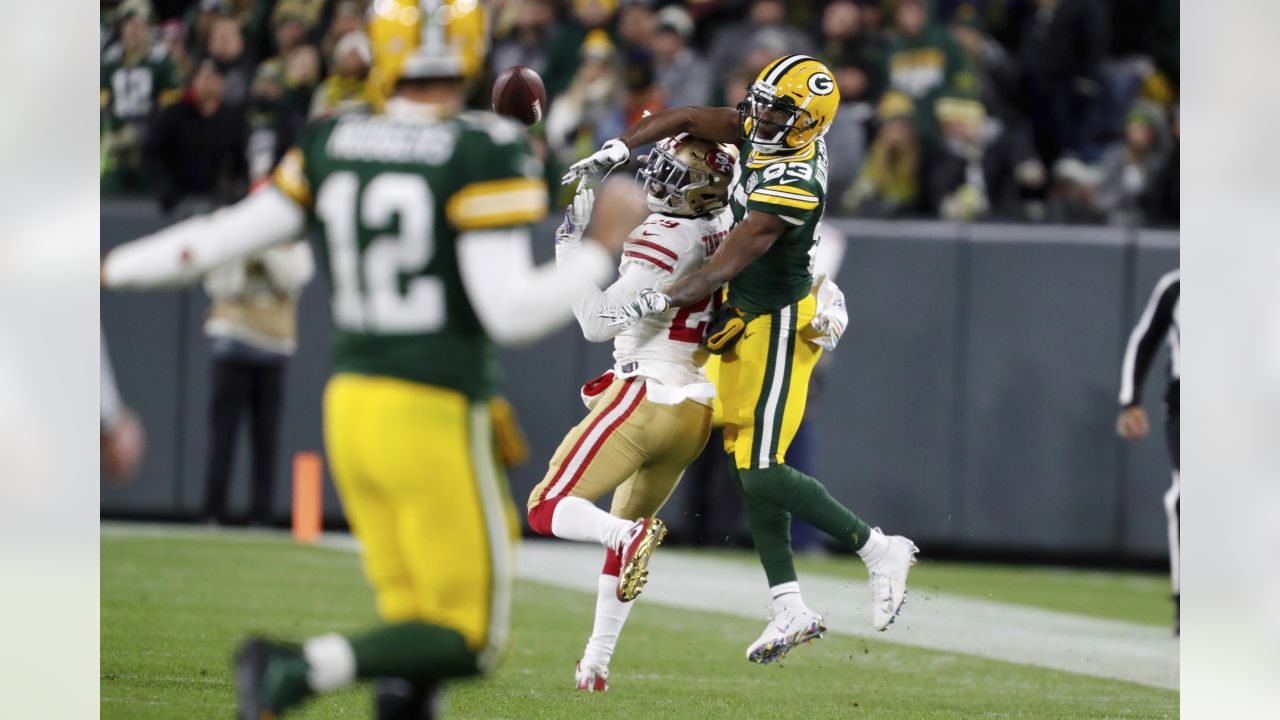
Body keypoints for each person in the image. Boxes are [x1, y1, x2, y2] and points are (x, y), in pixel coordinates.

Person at [102, 47, 638, 719]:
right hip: (432, 408)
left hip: (352, 409)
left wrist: (109, 268)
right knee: (469, 637)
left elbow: (209, 243)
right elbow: (512, 313)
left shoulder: (332, 137)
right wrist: (599, 247)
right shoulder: (481, 148)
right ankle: (297, 668)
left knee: (412, 637)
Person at [563, 54, 919, 664]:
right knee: (747, 458)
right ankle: (788, 606)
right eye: (762, 101)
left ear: (809, 122)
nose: (760, 115)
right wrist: (617, 148)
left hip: (775, 323)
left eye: (778, 109)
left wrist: (649, 297)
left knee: (759, 469)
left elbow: (720, 266)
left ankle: (878, 549)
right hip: (744, 317)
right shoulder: (771, 127)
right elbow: (691, 116)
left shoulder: (795, 179)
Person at [526, 135, 737, 692]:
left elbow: (598, 322)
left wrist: (569, 245)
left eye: (678, 177)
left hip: (645, 392)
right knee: (627, 530)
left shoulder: (662, 236)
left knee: (547, 508)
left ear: (703, 190)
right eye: (662, 169)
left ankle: (620, 538)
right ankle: (595, 664)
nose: (663, 183)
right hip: (692, 414)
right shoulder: (729, 223)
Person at [199, 240, 315, 526]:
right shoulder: (231, 227)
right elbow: (223, 286)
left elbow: (295, 276)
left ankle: (261, 514)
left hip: (274, 345)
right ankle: (214, 510)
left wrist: (264, 246)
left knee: (266, 437)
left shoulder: (289, 235)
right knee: (223, 434)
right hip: (232, 341)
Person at [1116, 269, 1180, 635]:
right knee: (1187, 495)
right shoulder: (1176, 287)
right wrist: (1130, 401)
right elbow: (1144, 340)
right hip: (1188, 401)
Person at [142, 59, 249, 213]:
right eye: (204, 78)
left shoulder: (229, 119)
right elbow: (151, 152)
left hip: (214, 201)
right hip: (176, 201)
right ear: (194, 81)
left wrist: (236, 188)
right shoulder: (173, 114)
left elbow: (240, 161)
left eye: (214, 78)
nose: (209, 84)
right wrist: (164, 186)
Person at [101, 7, 183, 193]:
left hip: (152, 142)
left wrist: (142, 131)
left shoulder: (161, 60)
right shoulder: (109, 60)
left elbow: (171, 104)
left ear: (148, 29)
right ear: (122, 29)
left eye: (139, 26)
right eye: (129, 25)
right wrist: (113, 127)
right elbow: (102, 101)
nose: (134, 31)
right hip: (115, 141)